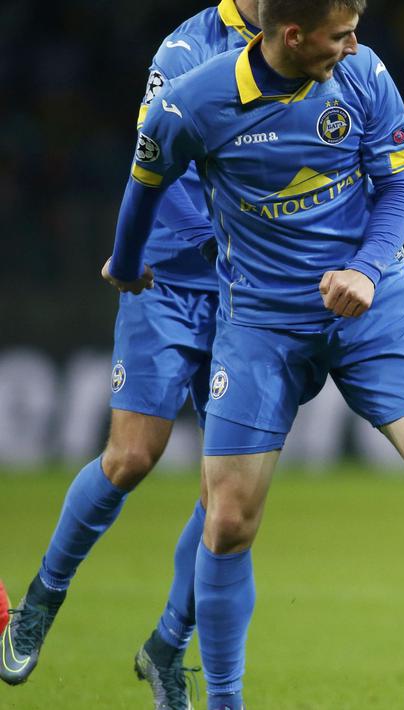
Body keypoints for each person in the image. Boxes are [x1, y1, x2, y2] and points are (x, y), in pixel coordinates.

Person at [104, 1, 404, 707]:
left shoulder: (364, 75)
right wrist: (127, 263)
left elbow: (399, 187)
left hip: (375, 304)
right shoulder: (193, 102)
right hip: (262, 322)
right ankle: (223, 699)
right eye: (340, 33)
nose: (355, 44)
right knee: (229, 517)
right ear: (293, 34)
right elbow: (143, 186)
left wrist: (367, 267)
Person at [1, 3, 262, 708]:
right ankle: (41, 599)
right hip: (171, 280)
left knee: (228, 502)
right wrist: (159, 244)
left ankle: (167, 649)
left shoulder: (306, 46)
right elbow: (153, 159)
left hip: (250, 298)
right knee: (130, 457)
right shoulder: (187, 49)